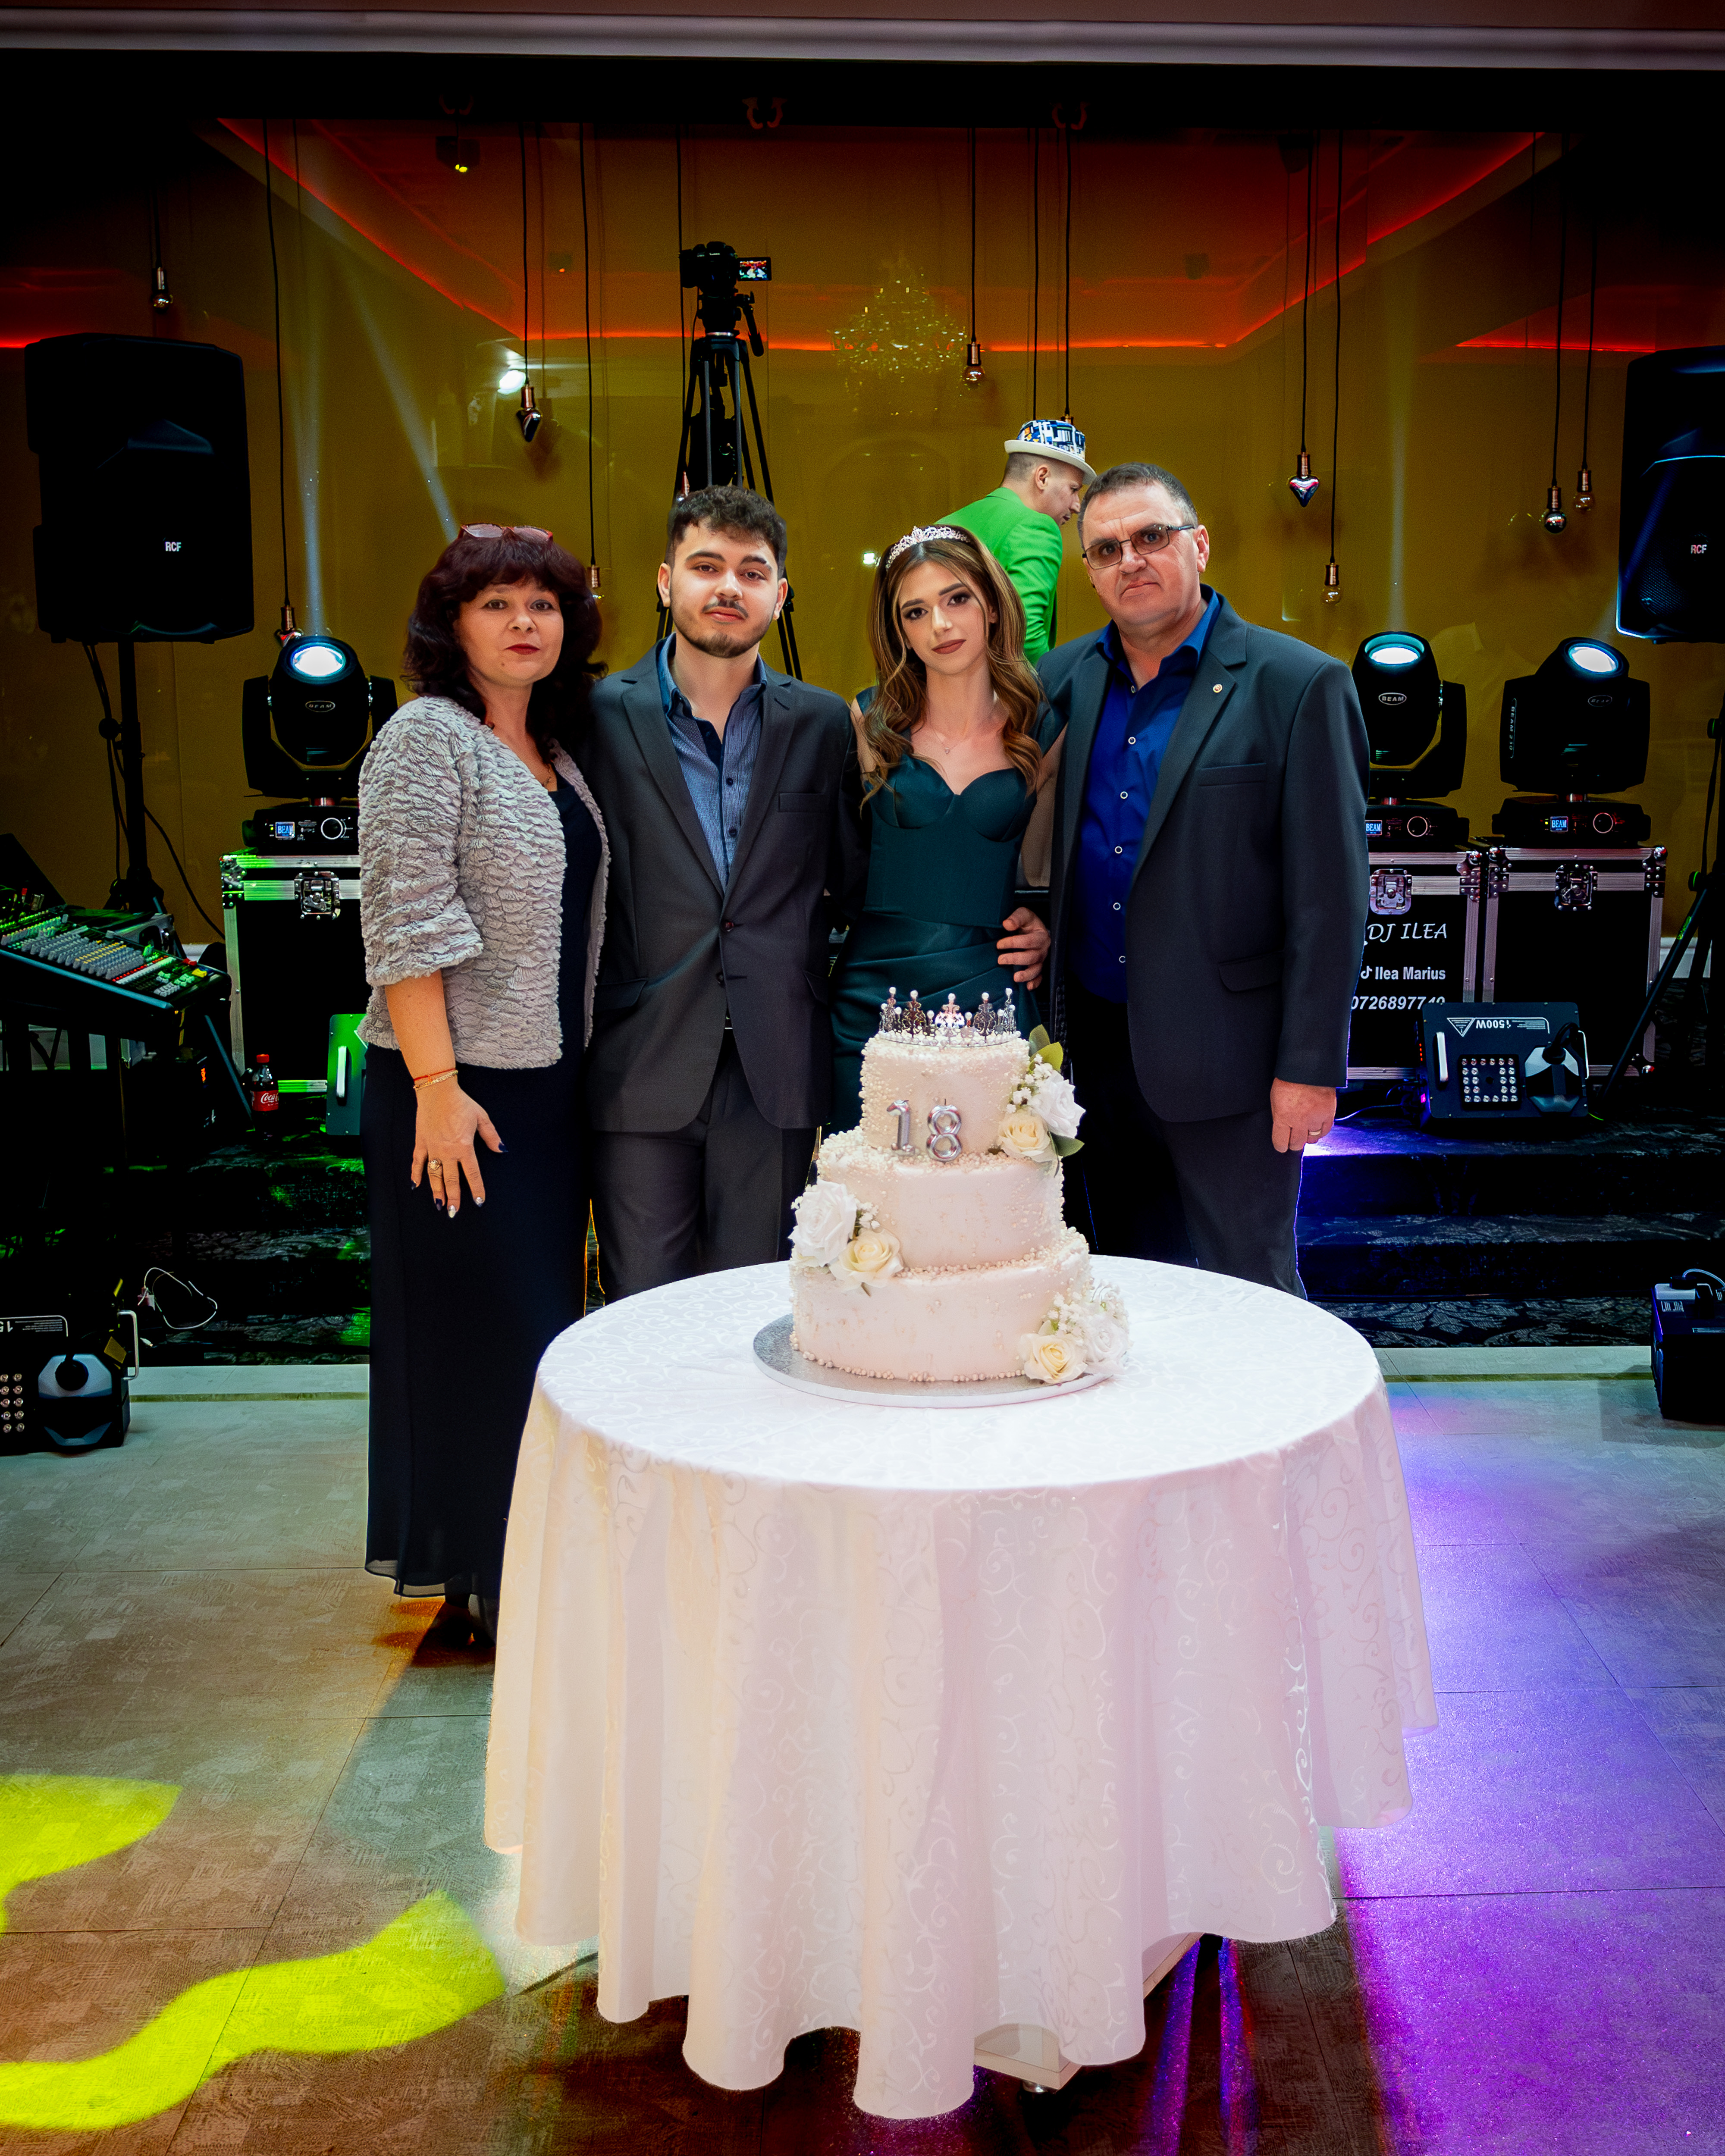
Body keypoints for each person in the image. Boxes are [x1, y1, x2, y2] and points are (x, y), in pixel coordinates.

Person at [357, 524, 608, 1648]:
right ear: (451, 624)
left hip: (544, 1091)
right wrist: (436, 1087)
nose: (523, 623)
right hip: (453, 1096)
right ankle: (492, 1579)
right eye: (496, 603)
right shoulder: (425, 738)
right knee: (482, 1337)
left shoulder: (553, 748)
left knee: (533, 1336)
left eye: (542, 604)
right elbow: (404, 923)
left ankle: (522, 1568)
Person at [1035, 462, 1368, 1293]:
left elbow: (1331, 900)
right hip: (1097, 1054)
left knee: (1248, 1293)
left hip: (1236, 1064)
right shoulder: (1063, 681)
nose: (1131, 560)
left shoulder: (1299, 685)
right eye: (1106, 548)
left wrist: (1310, 1067)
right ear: (1090, 572)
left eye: (1152, 536)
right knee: (1129, 1292)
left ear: (1200, 545)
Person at [580, 485, 863, 1300]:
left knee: (752, 1310)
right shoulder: (598, 717)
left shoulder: (821, 723)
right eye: (707, 566)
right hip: (641, 1059)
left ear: (781, 593)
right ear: (666, 580)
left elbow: (853, 883)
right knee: (643, 1310)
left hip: (777, 1064)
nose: (729, 587)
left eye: (752, 571)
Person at [829, 524, 1054, 1128]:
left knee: (991, 1174)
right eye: (916, 611)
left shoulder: (1043, 729)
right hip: (873, 996)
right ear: (899, 629)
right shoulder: (867, 720)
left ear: (992, 604)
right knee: (871, 1176)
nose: (941, 625)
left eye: (957, 599)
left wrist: (1047, 928)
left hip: (990, 993)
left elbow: (1056, 869)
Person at [944, 418, 1096, 662]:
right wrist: (1051, 685)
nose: (1077, 506)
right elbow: (1026, 636)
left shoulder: (944, 524)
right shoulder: (1038, 527)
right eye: (1074, 489)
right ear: (1042, 477)